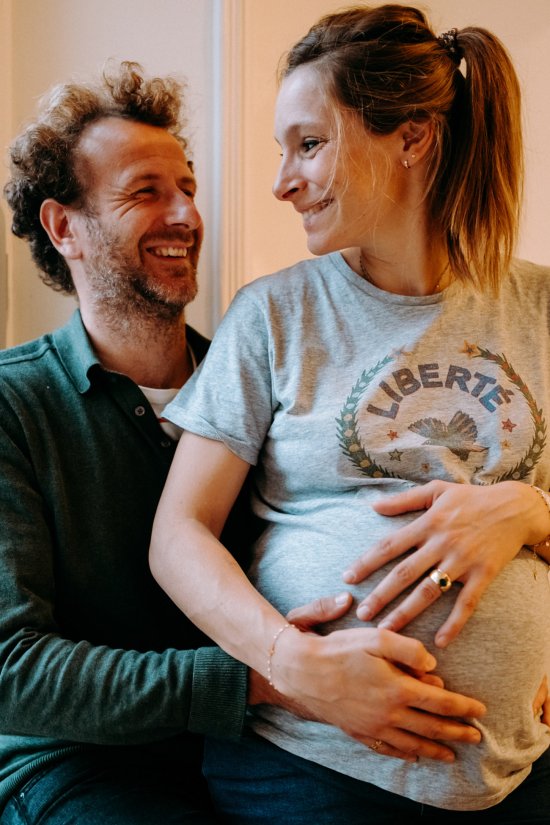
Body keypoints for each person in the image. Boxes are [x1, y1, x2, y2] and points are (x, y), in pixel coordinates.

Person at [0, 59, 487, 825]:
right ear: (65, 228)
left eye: (187, 188)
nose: (185, 216)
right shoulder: (13, 404)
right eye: (145, 193)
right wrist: (266, 678)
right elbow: (12, 671)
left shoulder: (251, 369)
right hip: (84, 766)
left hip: (265, 748)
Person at [149, 4, 550, 822]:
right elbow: (177, 534)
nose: (281, 180)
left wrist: (529, 510)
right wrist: (292, 662)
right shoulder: (273, 315)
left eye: (310, 143)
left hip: (518, 774)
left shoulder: (540, 307)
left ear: (411, 137)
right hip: (310, 767)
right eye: (281, 148)